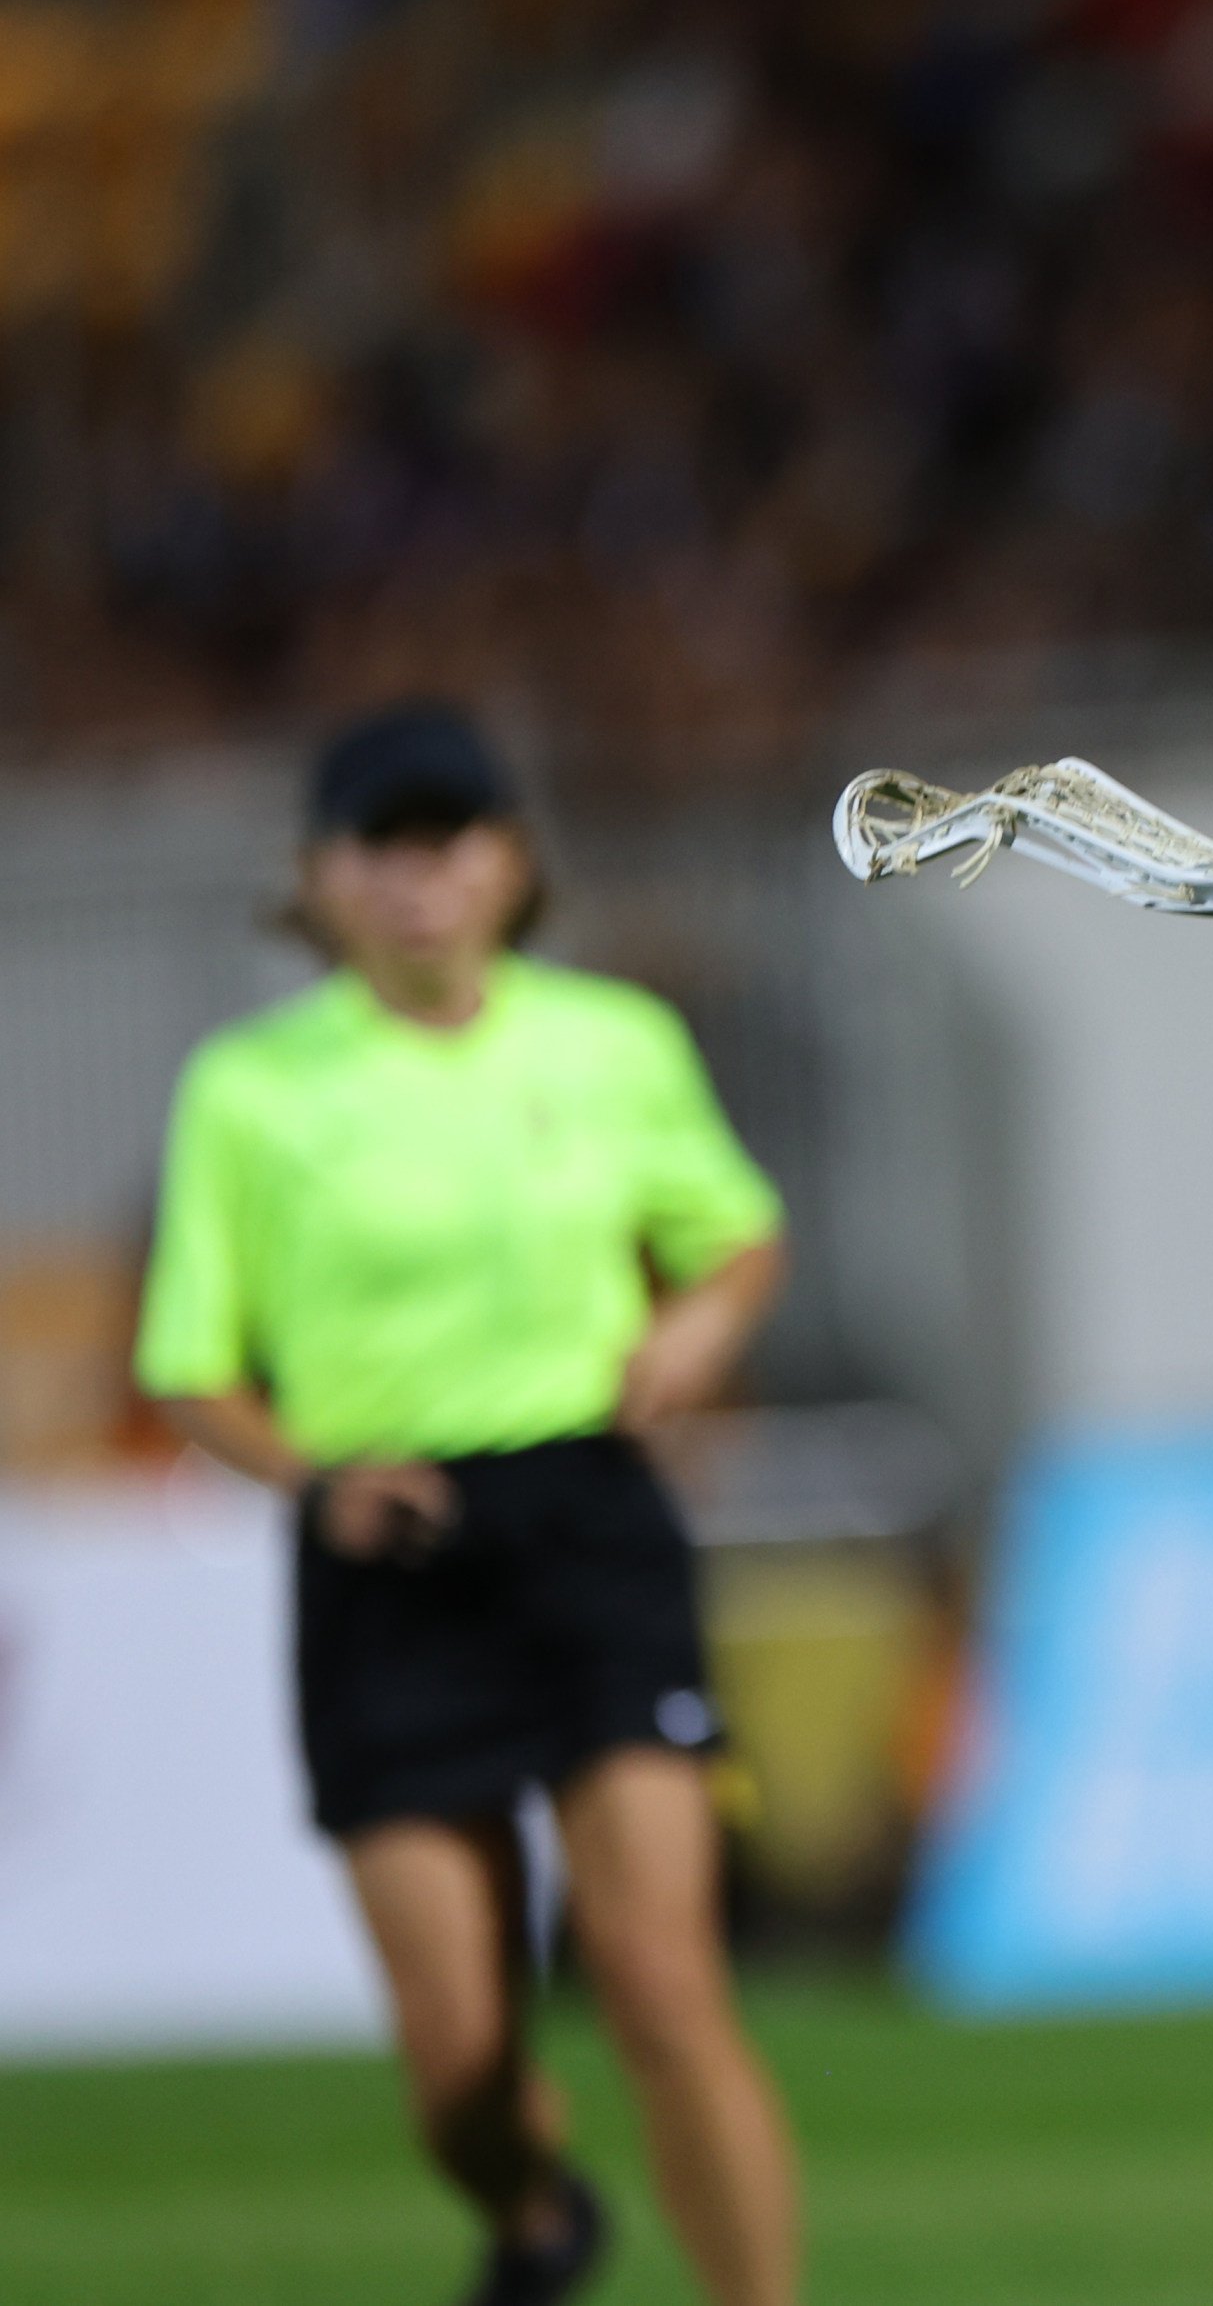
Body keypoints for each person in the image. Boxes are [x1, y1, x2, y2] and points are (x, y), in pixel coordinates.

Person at [136, 704, 803, 2306]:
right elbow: (190, 1364)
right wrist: (312, 1481)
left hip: (585, 1515)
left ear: (512, 864)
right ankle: (528, 2206)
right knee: (461, 2073)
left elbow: (736, 1233)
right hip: (391, 1544)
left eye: (451, 842)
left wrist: (699, 1327)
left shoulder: (610, 1043)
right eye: (385, 847)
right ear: (321, 879)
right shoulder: (255, 1088)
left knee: (661, 1982)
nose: (421, 880)